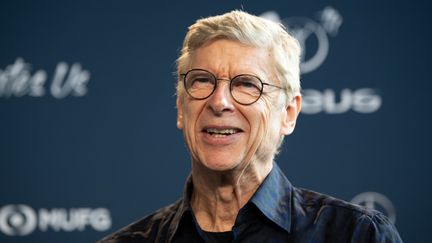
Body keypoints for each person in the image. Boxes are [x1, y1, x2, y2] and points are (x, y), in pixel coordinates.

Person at [99, 10, 402, 243]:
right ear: (181, 108)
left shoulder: (357, 235)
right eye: (202, 81)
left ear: (288, 113)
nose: (219, 102)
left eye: (246, 84)